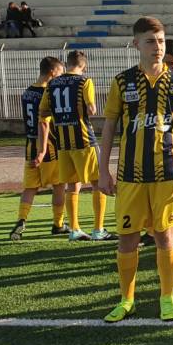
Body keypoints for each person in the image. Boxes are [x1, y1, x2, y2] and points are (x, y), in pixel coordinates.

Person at [99, 17, 173, 323]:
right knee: (127, 239)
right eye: (151, 41)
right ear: (136, 44)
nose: (158, 47)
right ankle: (127, 299)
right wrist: (103, 170)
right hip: (130, 175)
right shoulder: (122, 82)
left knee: (165, 235)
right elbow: (109, 127)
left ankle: (166, 297)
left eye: (161, 41)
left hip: (167, 172)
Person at [36, 50, 115, 242]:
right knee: (98, 183)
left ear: (68, 63)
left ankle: (75, 229)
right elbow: (92, 108)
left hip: (63, 143)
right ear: (83, 66)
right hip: (84, 140)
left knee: (72, 186)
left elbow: (43, 111)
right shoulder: (85, 82)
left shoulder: (52, 83)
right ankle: (98, 229)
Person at [9, 56, 67, 241]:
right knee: (59, 186)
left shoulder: (27, 92)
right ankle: (58, 224)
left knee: (30, 188)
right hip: (48, 146)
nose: (61, 77)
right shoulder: (49, 93)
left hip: (30, 145)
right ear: (52, 72)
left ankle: (21, 220)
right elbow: (46, 122)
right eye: (60, 73)